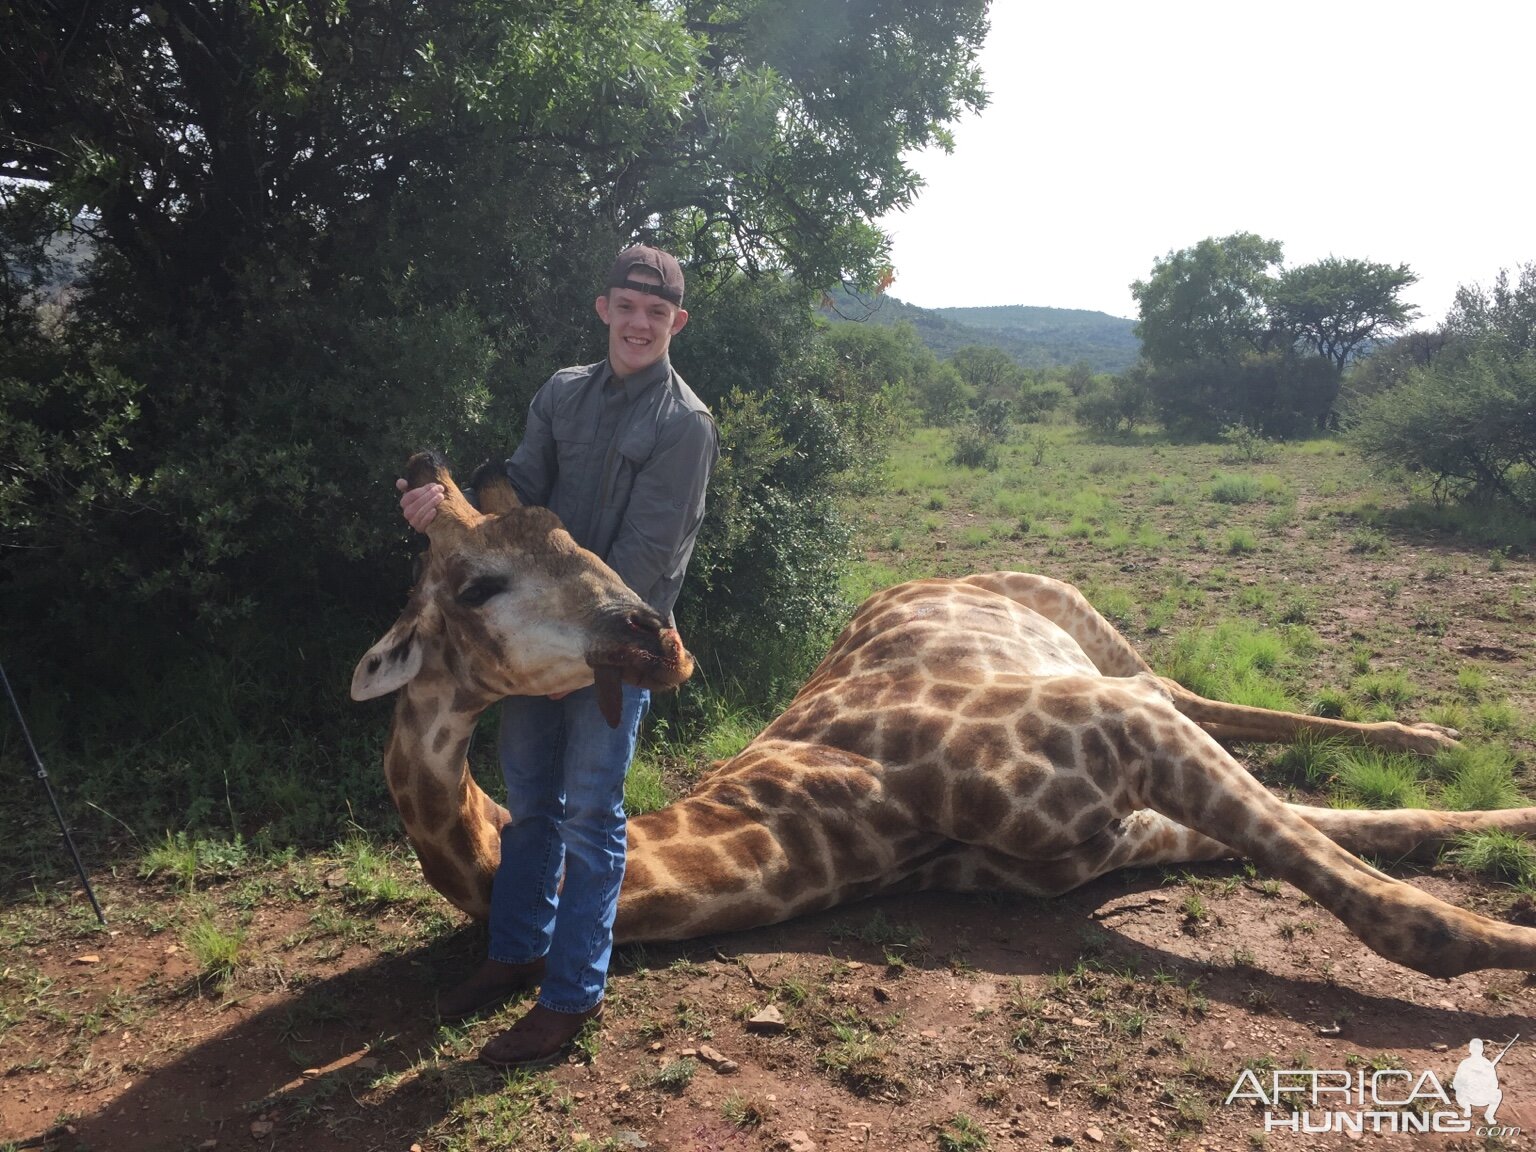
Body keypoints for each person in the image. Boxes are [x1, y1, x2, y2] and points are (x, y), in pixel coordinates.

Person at [397, 245, 718, 1068]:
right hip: (531, 644)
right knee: (532, 806)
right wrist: (441, 509)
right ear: (604, 308)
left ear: (675, 322)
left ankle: (571, 995)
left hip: (611, 656)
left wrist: (552, 641)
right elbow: (514, 512)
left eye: (657, 313)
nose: (640, 324)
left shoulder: (685, 425)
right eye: (627, 307)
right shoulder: (560, 394)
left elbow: (644, 570)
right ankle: (515, 952)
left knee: (591, 817)